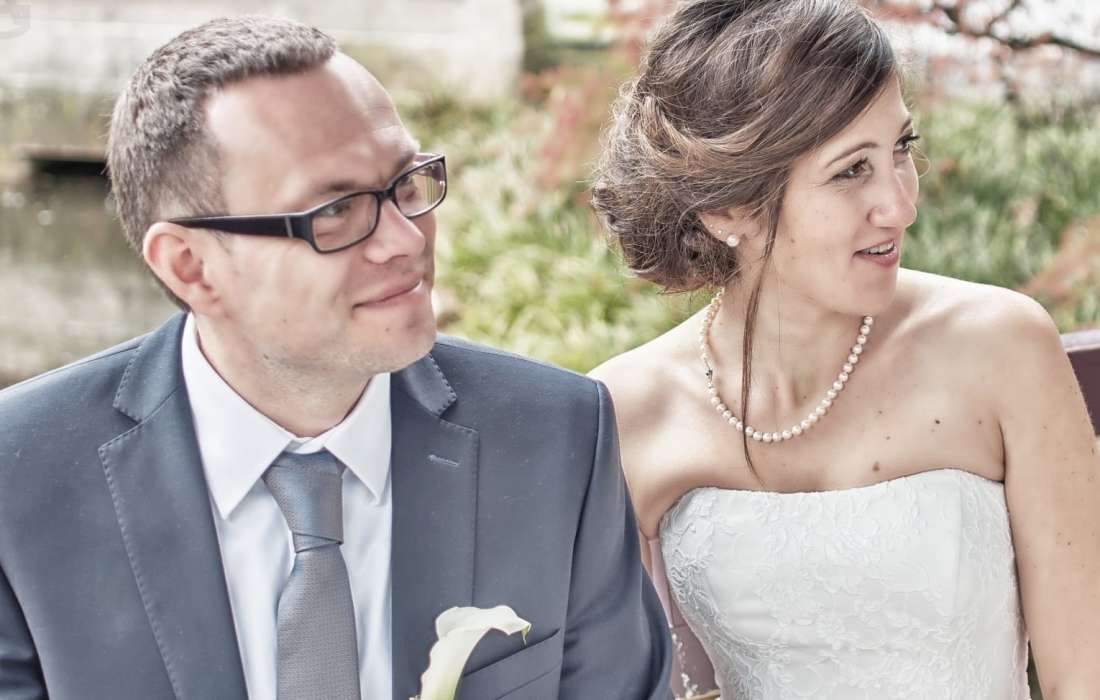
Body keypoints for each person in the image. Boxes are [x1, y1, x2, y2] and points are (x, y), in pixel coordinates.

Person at [0, 15, 672, 700]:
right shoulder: (17, 480)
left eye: (405, 184)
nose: (405, 240)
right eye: (335, 211)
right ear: (190, 266)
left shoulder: (555, 437)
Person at [590, 0, 1100, 697]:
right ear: (727, 207)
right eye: (852, 170)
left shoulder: (1002, 347)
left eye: (901, 149)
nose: (901, 205)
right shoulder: (626, 414)